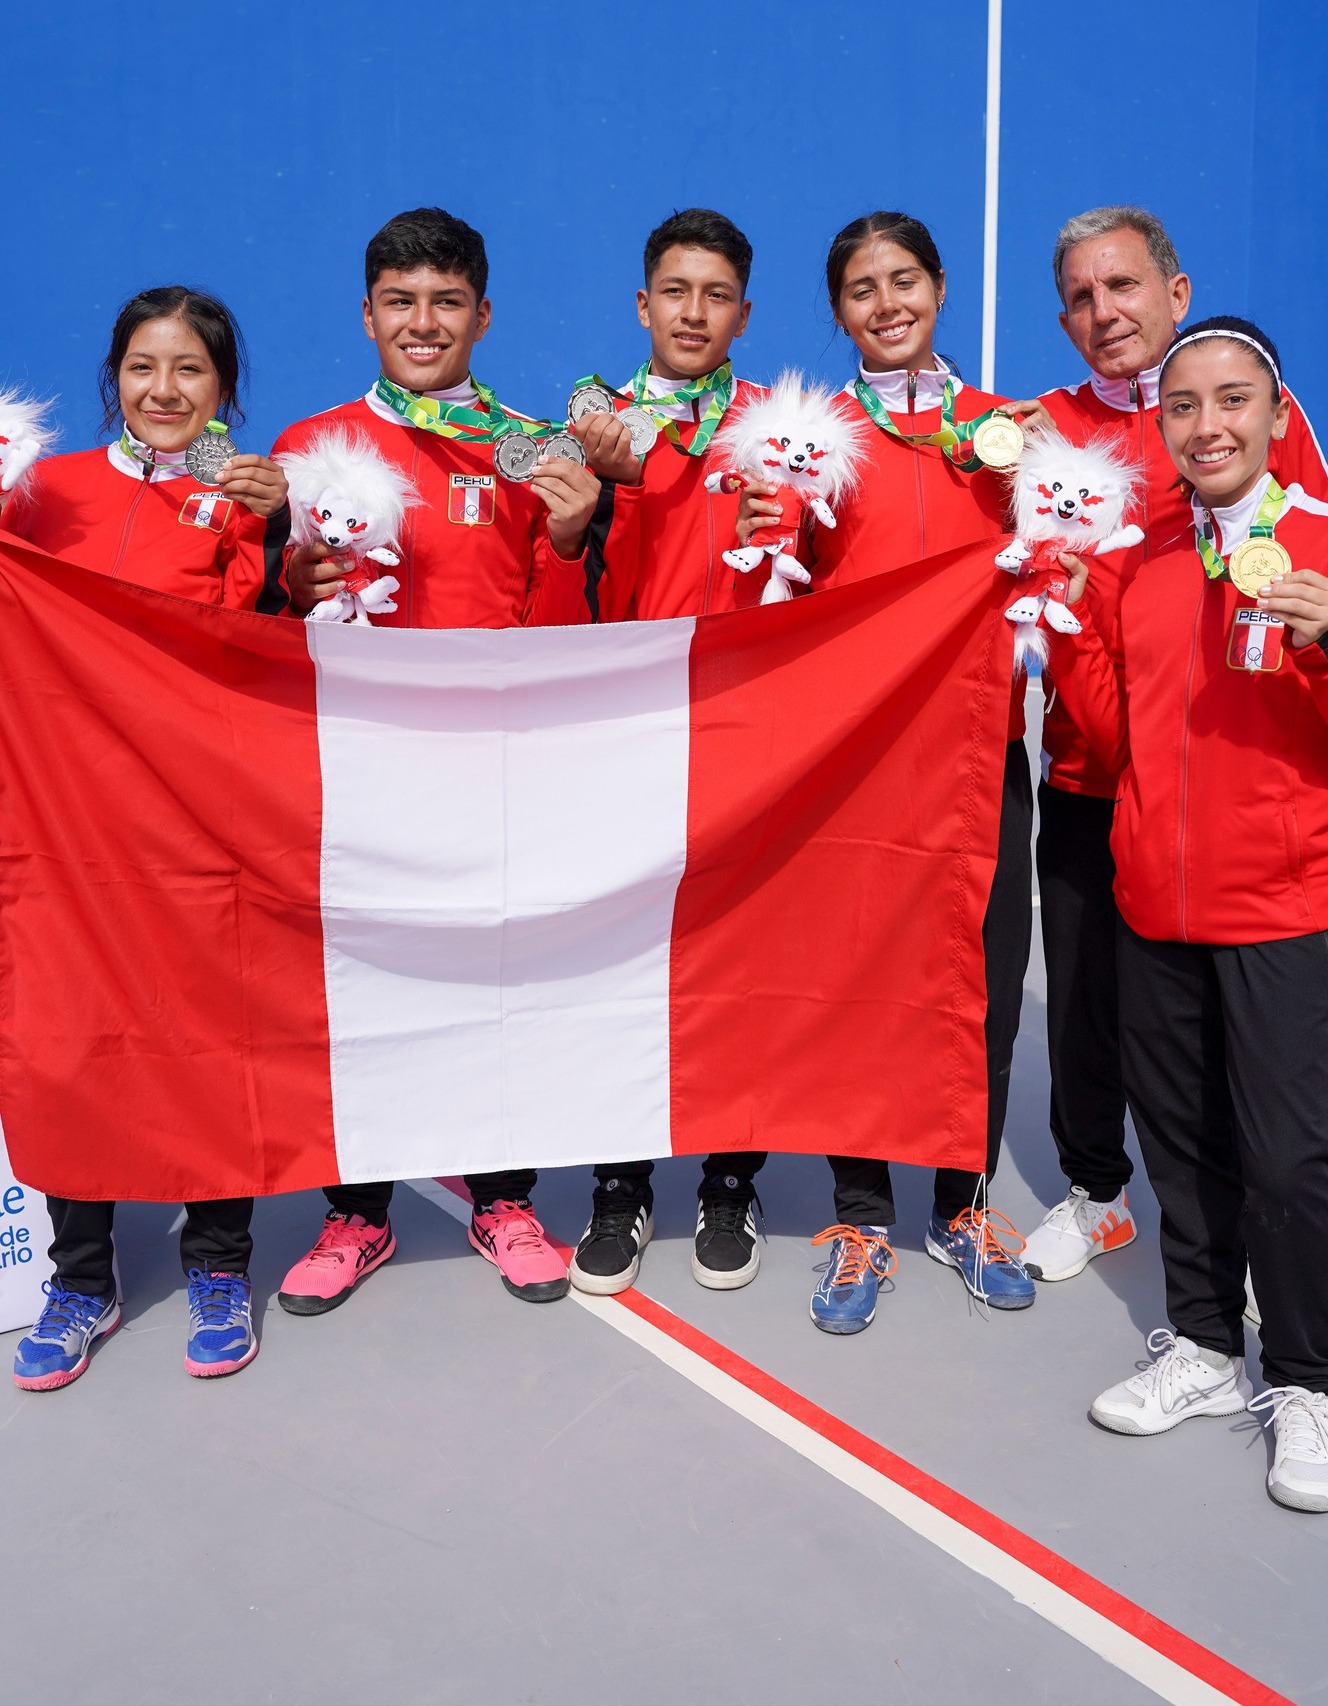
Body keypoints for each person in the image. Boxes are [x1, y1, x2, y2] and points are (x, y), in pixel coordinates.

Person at [1050, 316, 1328, 1513]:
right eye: (1183, 406)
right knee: (1178, 1143)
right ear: (1161, 425)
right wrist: (1076, 621)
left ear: (1278, 418)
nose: (1209, 424)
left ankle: (1302, 1380)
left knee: (1286, 1160)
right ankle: (1204, 1346)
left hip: (1284, 904)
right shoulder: (1144, 556)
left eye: (1234, 401)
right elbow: (1118, 734)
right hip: (1155, 902)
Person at [273, 207, 599, 1315]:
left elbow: (556, 627)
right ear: (367, 315)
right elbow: (272, 632)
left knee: (496, 978)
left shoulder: (529, 447)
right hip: (356, 778)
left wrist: (564, 541)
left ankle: (501, 1195)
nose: (424, 322)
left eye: (447, 301)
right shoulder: (309, 448)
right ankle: (356, 1211)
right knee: (358, 987)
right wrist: (293, 591)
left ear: (484, 314)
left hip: (490, 773)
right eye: (401, 302)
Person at [1012, 207, 1328, 1285]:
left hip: (1220, 786)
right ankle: (1098, 1190)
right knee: (1090, 1005)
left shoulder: (1251, 409)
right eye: (1080, 296)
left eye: (1123, 286)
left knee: (1222, 1041)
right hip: (1087, 769)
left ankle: (1235, 1227)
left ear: (1176, 291)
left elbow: (1318, 572)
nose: (1103, 311)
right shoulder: (1038, 429)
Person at [741, 211, 1035, 1331]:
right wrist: (775, 530)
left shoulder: (1009, 431)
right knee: (858, 976)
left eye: (903, 280)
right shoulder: (811, 432)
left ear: (941, 286)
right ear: (838, 312)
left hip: (978, 746)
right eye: (861, 290)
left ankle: (960, 1202)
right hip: (858, 756)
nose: (886, 304)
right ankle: (860, 1211)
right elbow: (786, 593)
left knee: (982, 978)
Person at [4, 285, 291, 1388]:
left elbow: (244, 659)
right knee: (73, 1040)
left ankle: (220, 1261)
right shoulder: (44, 493)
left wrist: (268, 532)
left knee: (206, 1040)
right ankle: (84, 1275)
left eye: (190, 370)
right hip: (62, 829)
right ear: (111, 377)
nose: (163, 391)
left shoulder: (247, 501)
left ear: (224, 389)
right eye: (141, 366)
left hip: (191, 829)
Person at [566, 209, 772, 1299]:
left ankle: (730, 1174)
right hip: (624, 735)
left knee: (733, 954)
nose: (695, 313)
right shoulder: (589, 422)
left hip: (744, 732)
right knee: (626, 958)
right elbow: (561, 583)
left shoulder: (780, 430)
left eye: (717, 294)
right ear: (643, 305)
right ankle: (619, 1179)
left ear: (745, 310)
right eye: (675, 292)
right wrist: (601, 494)